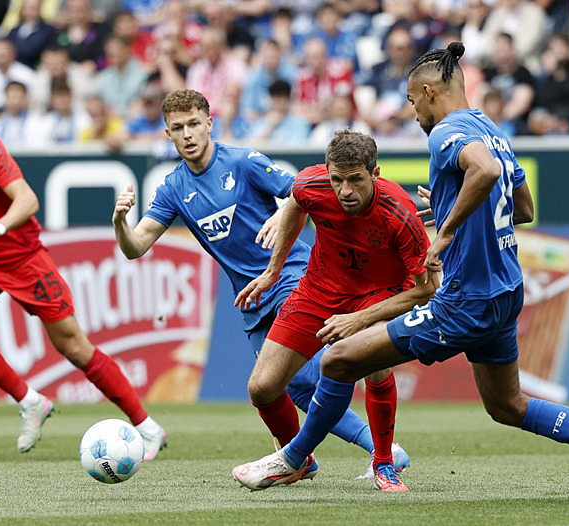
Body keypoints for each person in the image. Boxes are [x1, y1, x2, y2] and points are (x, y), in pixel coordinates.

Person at [231, 42, 569, 503]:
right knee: (507, 405)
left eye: (411, 99)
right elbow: (524, 208)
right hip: (505, 290)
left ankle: (292, 459)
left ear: (427, 91)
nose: (411, 110)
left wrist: (443, 234)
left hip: (466, 297)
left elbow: (484, 171)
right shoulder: (491, 128)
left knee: (339, 361)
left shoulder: (445, 133)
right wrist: (446, 208)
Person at [112, 89, 410, 480]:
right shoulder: (172, 188)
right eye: (178, 128)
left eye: (194, 124)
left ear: (209, 124)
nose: (187, 134)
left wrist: (282, 213)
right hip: (251, 300)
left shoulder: (244, 161)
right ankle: (300, 462)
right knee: (278, 389)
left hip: (291, 274)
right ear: (167, 134)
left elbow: (301, 192)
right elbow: (135, 247)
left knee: (305, 375)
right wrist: (120, 222)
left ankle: (381, 450)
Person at [0, 67, 167, 460]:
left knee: (73, 346)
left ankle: (147, 426)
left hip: (21, 255)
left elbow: (27, 200)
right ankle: (30, 402)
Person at [232, 129, 436, 492]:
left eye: (355, 180)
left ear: (375, 174)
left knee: (374, 369)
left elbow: (426, 289)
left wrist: (358, 319)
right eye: (337, 179)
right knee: (262, 388)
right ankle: (298, 463)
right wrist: (273, 271)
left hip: (380, 294)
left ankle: (384, 464)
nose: (345, 191)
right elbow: (296, 203)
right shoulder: (312, 182)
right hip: (319, 288)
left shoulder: (400, 214)